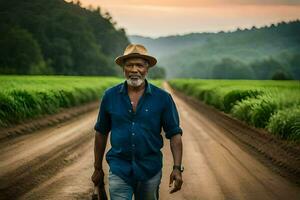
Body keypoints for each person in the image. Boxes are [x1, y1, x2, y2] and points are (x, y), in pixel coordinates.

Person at [91, 44, 184, 200]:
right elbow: (101, 133)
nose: (134, 69)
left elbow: (175, 134)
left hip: (150, 170)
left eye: (139, 65)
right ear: (123, 69)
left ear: (147, 69)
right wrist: (97, 168)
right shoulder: (110, 96)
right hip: (119, 169)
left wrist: (177, 168)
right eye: (129, 65)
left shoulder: (163, 98)